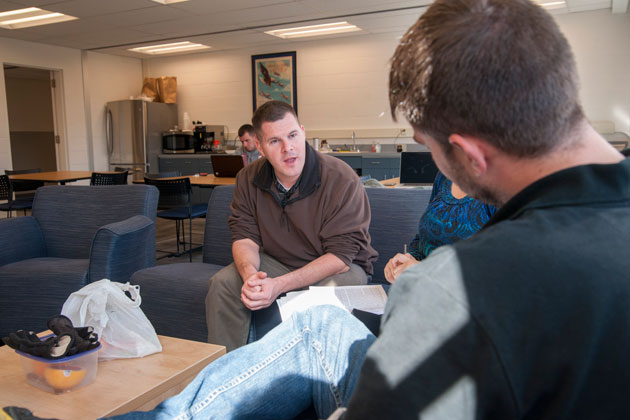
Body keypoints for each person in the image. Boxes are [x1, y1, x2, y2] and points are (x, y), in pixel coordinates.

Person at [112, 0, 630, 418]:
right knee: (322, 326)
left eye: (437, 155)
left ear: (470, 154)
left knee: (319, 329)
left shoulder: (456, 289)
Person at [205, 101, 378, 351]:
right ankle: (224, 377)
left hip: (339, 267)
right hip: (279, 261)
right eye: (275, 141)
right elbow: (244, 238)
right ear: (261, 147)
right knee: (223, 284)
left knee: (324, 294)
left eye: (293, 135)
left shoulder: (341, 178)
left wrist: (279, 286)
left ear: (303, 132)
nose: (288, 148)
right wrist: (250, 275)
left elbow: (341, 256)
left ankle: (302, 380)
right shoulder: (248, 178)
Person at [384, 171, 497, 282]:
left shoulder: (500, 184)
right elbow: (425, 237)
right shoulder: (443, 176)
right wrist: (407, 260)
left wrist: (425, 269)